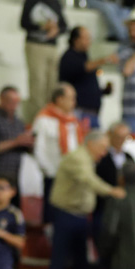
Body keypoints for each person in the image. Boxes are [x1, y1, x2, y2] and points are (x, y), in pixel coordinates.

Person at [49, 131, 126, 269]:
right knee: (60, 256)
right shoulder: (78, 158)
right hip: (67, 214)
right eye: (103, 148)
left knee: (81, 259)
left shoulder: (87, 159)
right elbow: (89, 180)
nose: (104, 153)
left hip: (80, 215)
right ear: (91, 144)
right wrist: (111, 191)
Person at [33, 83, 83, 225]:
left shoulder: (73, 121)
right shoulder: (44, 120)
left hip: (72, 176)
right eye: (71, 98)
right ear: (60, 99)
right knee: (52, 216)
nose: (74, 102)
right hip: (53, 175)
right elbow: (39, 150)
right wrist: (49, 171)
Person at [0, 87, 34, 208]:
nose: (14, 105)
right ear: (1, 99)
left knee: (14, 210)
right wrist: (16, 141)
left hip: (13, 175)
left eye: (17, 101)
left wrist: (29, 143)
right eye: (11, 101)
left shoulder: (18, 122)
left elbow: (23, 147)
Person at [58, 26, 118, 130]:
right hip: (79, 112)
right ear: (76, 40)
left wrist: (102, 91)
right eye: (86, 38)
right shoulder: (69, 57)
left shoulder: (84, 56)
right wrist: (105, 60)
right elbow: (83, 68)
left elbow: (83, 84)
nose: (90, 41)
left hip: (92, 114)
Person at [93, 122, 135, 255]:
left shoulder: (129, 158)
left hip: (124, 210)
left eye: (124, 137)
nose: (121, 141)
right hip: (103, 209)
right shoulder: (101, 157)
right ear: (110, 135)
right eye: (118, 137)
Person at [21, 0, 67, 121]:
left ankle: (49, 116)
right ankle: (35, 118)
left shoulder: (55, 3)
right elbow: (24, 23)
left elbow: (64, 25)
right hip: (35, 44)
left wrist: (56, 29)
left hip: (52, 46)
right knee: (38, 82)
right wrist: (42, 26)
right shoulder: (31, 2)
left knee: (52, 84)